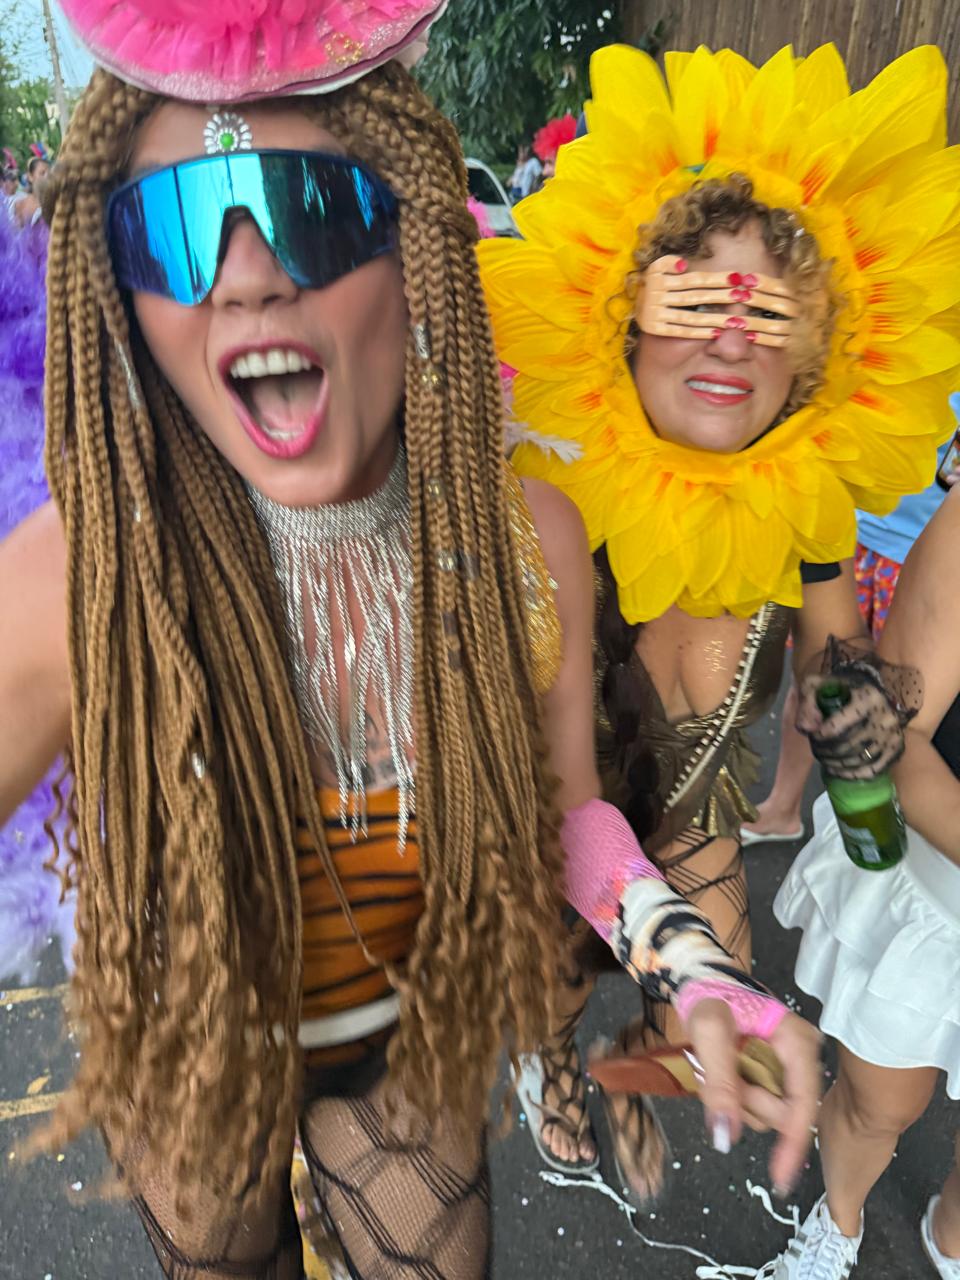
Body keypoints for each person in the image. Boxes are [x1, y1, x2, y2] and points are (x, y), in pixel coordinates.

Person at [0, 4, 818, 1276]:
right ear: (119, 292)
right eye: (173, 230)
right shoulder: (88, 569)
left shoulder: (521, 535)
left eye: (313, 209)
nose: (247, 277)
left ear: (418, 245)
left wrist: (686, 957)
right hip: (191, 1051)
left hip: (402, 1033)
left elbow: (564, 807)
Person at [478, 41, 960, 1196]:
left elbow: (841, 671)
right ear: (623, 314)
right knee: (549, 979)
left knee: (716, 1031)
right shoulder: (545, 487)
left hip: (696, 810)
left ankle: (624, 1059)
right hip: (551, 809)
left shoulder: (803, 502)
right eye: (693, 295)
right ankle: (551, 1062)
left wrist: (864, 729)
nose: (733, 337)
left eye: (774, 308)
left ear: (818, 347)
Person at [768, 487, 960, 1279]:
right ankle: (837, 1222)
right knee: (879, 1104)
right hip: (937, 898)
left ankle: (953, 1231)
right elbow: (891, 732)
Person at [743, 439, 954, 848]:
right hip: (855, 531)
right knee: (825, 688)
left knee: (881, 708)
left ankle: (867, 817)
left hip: (913, 552)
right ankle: (784, 807)